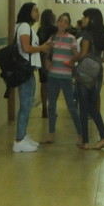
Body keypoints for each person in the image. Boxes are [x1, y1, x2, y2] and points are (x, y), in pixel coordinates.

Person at [72, 8, 104, 150]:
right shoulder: (103, 35)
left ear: (92, 20)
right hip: (97, 74)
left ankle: (86, 141)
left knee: (84, 107)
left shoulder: (86, 35)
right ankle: (103, 137)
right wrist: (97, 61)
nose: (83, 19)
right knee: (92, 105)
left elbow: (83, 54)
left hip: (84, 74)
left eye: (85, 17)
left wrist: (71, 60)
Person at [12, 3, 51, 153]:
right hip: (25, 71)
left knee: (27, 105)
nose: (38, 13)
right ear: (27, 12)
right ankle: (19, 141)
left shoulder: (26, 27)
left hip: (28, 70)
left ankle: (23, 136)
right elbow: (26, 48)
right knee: (26, 105)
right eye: (35, 11)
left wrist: (43, 45)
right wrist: (42, 48)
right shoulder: (23, 27)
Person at [41, 13, 82, 144]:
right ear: (57, 22)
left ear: (68, 25)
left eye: (65, 22)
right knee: (51, 106)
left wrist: (74, 56)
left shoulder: (72, 39)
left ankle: (80, 134)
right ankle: (51, 134)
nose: (62, 23)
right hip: (53, 76)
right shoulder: (52, 38)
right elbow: (46, 53)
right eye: (61, 21)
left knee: (71, 106)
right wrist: (47, 60)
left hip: (66, 77)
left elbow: (77, 56)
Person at [36, 9, 57, 119]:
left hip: (42, 59)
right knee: (54, 85)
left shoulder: (40, 30)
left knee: (44, 84)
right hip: (53, 59)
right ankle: (52, 108)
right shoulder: (55, 29)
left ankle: (44, 108)